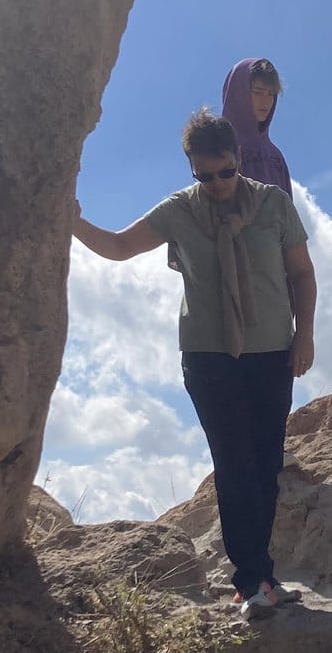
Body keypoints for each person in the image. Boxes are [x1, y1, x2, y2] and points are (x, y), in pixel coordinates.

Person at [73, 110, 316, 617]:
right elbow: (119, 247)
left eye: (225, 171)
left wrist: (305, 335)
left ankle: (264, 577)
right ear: (192, 170)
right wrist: (71, 220)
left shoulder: (273, 205)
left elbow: (302, 273)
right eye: (204, 175)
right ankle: (249, 582)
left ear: (238, 159)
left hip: (271, 352)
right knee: (234, 465)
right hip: (209, 358)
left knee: (267, 465)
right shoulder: (180, 211)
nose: (217, 183)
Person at [221, 58, 291, 194]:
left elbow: (288, 212)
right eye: (258, 92)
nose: (266, 101)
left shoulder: (275, 158)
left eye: (271, 94)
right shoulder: (219, 149)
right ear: (238, 93)